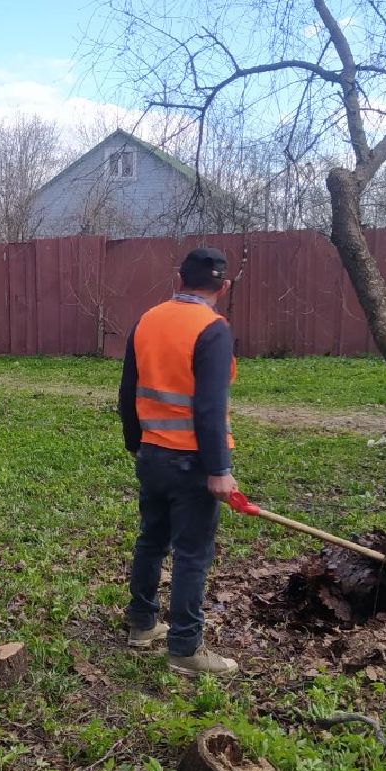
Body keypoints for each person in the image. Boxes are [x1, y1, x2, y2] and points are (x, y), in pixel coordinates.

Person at [118, 246, 241, 677]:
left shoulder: (147, 320)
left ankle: (142, 624)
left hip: (152, 454)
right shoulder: (213, 329)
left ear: (179, 278)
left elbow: (127, 391)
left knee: (152, 540)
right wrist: (220, 470)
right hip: (191, 463)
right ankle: (186, 648)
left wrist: (137, 444)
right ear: (223, 287)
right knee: (192, 554)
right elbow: (209, 407)